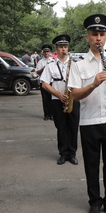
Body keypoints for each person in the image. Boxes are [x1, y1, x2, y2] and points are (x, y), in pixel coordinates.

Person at [67, 14, 106, 213]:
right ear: (88, 37)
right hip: (89, 122)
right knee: (91, 165)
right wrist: (93, 84)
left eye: (101, 34)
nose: (98, 38)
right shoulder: (79, 65)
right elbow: (74, 95)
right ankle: (94, 203)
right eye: (94, 34)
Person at [41, 34, 81, 165]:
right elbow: (45, 84)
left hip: (72, 99)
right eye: (61, 47)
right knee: (61, 127)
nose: (64, 49)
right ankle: (63, 153)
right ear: (56, 49)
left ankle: (72, 153)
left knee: (73, 127)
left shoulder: (75, 64)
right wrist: (58, 94)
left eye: (65, 46)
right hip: (57, 100)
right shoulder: (50, 65)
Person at [34, 44, 55, 120]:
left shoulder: (53, 61)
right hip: (43, 82)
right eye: (45, 52)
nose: (46, 53)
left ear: (50, 52)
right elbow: (37, 72)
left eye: (48, 52)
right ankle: (46, 114)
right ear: (43, 52)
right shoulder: (40, 62)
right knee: (45, 99)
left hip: (51, 82)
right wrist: (43, 68)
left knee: (51, 99)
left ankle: (52, 114)